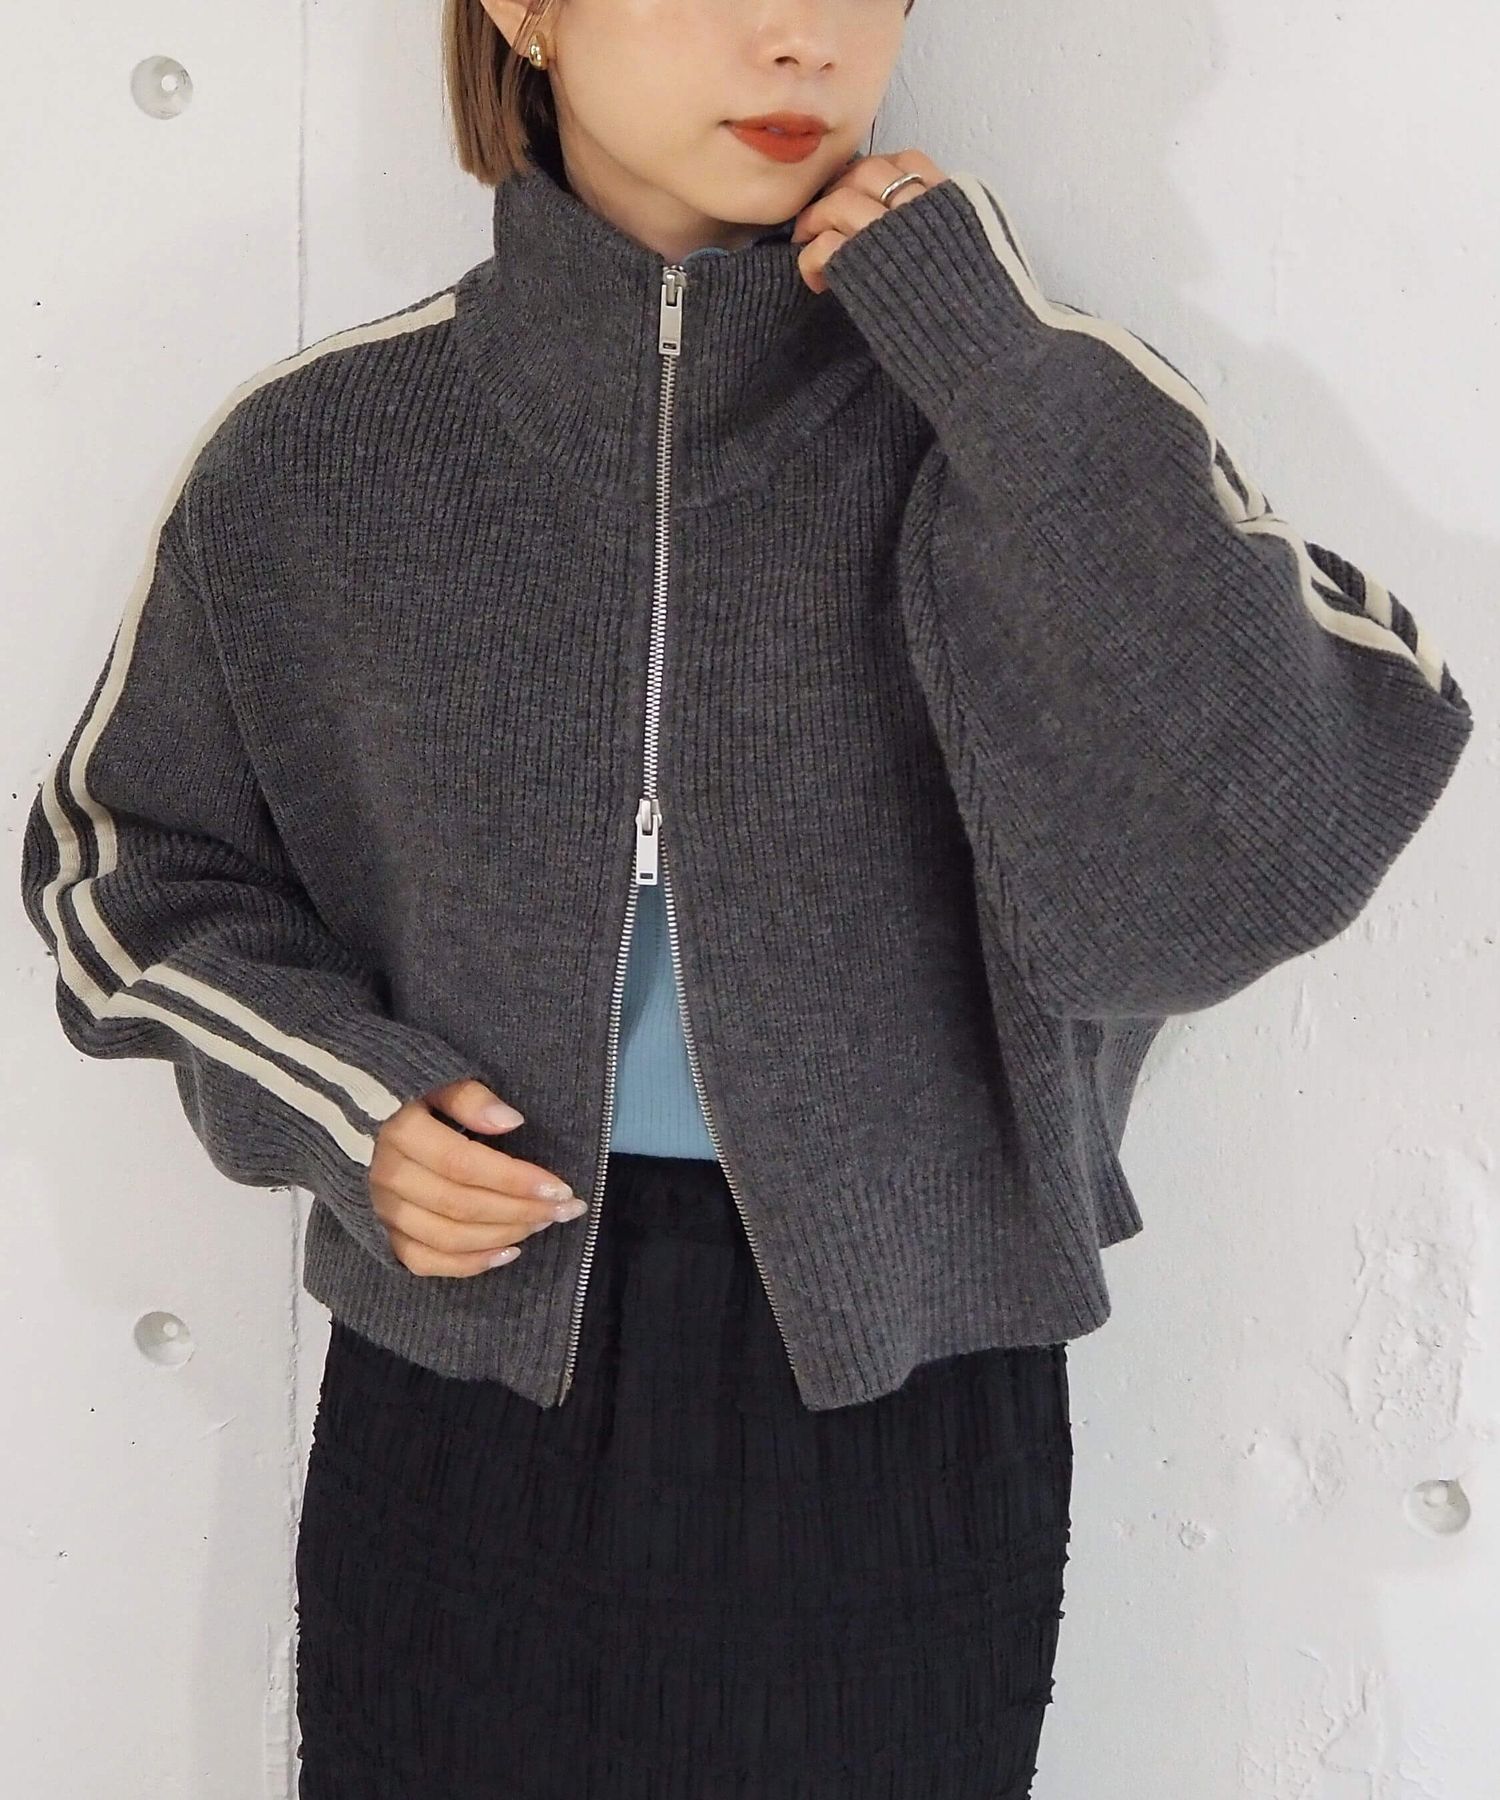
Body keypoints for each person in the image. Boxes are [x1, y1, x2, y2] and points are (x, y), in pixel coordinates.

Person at [19, 0, 1474, 1794]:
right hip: (468, 1383)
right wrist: (342, 1102)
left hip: (905, 1403)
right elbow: (121, 862)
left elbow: (1277, 831)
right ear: (526, 12)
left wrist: (994, 365)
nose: (800, 39)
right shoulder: (318, 454)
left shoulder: (1013, 409)